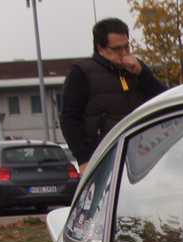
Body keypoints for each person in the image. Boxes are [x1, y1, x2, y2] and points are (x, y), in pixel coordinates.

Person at [60, 17, 167, 165]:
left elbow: (163, 99)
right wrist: (84, 158)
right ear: (100, 48)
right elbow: (69, 119)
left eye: (127, 47)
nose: (124, 53)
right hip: (103, 158)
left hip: (140, 157)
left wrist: (143, 74)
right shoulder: (82, 73)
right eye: (117, 49)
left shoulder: (136, 70)